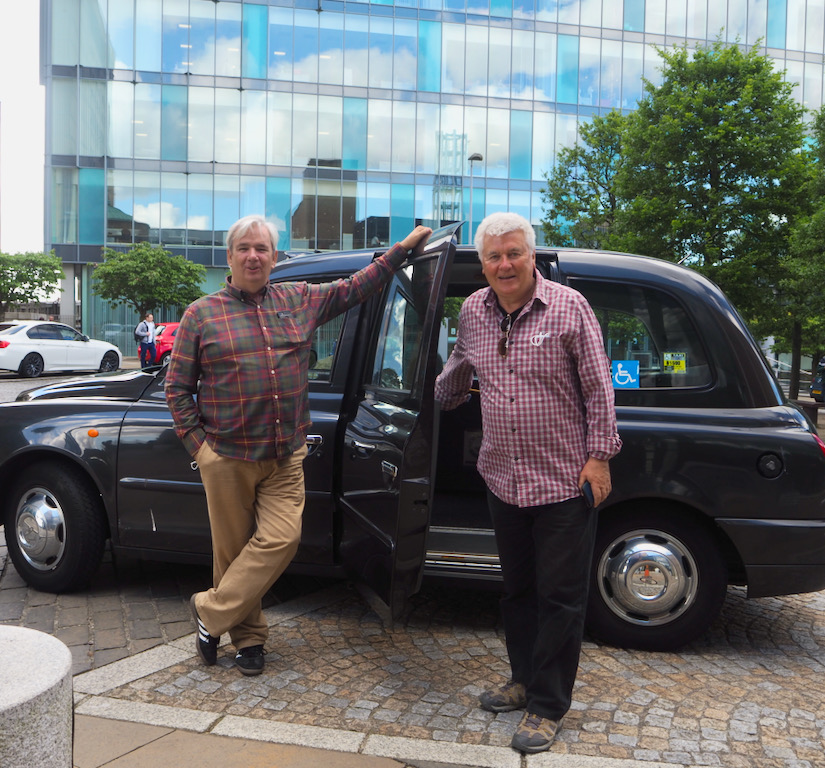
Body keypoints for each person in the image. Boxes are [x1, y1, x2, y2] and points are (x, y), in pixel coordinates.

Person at [165, 214, 432, 675]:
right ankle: (249, 640)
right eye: (244, 248)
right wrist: (199, 447)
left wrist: (401, 251)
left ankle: (209, 612)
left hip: (285, 456)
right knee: (232, 553)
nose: (253, 256)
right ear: (230, 257)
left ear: (274, 258)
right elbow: (177, 388)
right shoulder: (201, 314)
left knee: (282, 539)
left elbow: (355, 288)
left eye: (262, 249)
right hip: (226, 455)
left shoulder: (299, 299)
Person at [433, 212, 621, 754]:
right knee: (517, 591)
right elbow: (459, 368)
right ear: (483, 264)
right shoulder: (473, 311)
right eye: (494, 256)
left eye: (513, 253)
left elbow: (599, 388)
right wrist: (438, 387)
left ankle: (547, 705)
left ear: (530, 255)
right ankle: (522, 679)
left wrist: (600, 458)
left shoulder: (569, 306)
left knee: (560, 597)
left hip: (564, 481)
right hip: (503, 478)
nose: (504, 264)